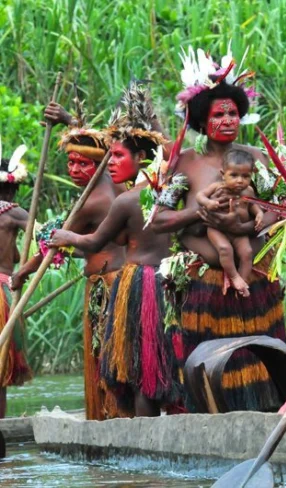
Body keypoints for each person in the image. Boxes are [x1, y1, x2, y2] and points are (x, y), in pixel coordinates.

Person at [152, 46, 286, 412]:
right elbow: (160, 219)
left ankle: (268, 418)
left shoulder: (254, 160)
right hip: (205, 285)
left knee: (261, 356)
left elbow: (284, 210)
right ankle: (212, 419)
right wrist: (199, 215)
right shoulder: (186, 165)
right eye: (218, 114)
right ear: (201, 121)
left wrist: (247, 222)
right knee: (208, 362)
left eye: (232, 113)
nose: (227, 120)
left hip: (254, 277)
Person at [49, 82, 176, 417]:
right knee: (157, 362)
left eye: (118, 156)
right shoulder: (169, 192)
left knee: (135, 369)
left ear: (141, 158)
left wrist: (65, 236)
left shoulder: (127, 199)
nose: (110, 162)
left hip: (139, 284)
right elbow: (169, 154)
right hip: (168, 281)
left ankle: (137, 438)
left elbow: (92, 241)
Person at [12, 103, 126, 420]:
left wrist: (22, 271)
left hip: (109, 287)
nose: (75, 170)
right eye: (70, 163)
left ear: (99, 165)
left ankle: (112, 416)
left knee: (106, 355)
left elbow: (52, 246)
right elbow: (104, 144)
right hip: (117, 279)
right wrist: (69, 121)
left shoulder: (92, 201)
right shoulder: (117, 181)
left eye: (82, 164)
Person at [196, 148, 264, 297]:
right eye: (234, 175)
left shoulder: (248, 191)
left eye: (245, 176)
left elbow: (253, 205)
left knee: (247, 253)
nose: (240, 180)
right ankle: (234, 276)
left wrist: (258, 214)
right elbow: (200, 195)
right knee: (225, 249)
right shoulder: (217, 187)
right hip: (217, 229)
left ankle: (242, 282)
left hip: (238, 231)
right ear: (223, 175)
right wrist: (208, 202)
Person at [0, 141, 33, 417]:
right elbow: (47, 239)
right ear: (10, 188)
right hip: (2, 293)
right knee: (0, 370)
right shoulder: (13, 212)